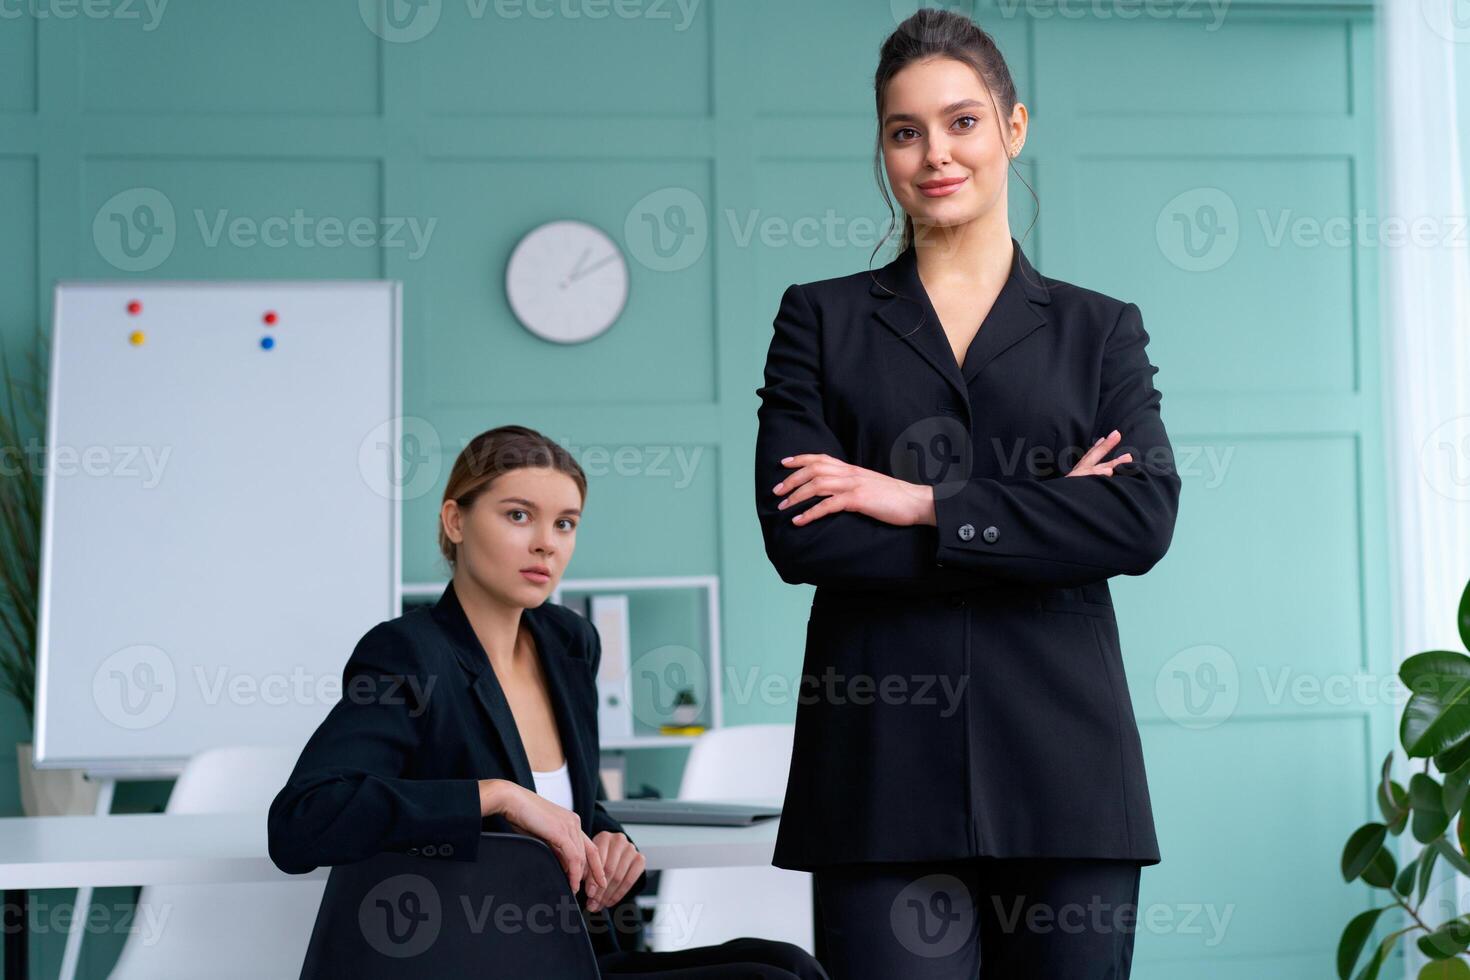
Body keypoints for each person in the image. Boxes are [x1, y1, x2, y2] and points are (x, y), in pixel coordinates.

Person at [752, 9, 1181, 979]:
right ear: (883, 148)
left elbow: (1139, 516)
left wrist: (917, 503)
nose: (935, 153)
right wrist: (1046, 516)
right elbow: (802, 537)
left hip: (1066, 779)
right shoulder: (818, 320)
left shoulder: (1098, 331)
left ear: (1012, 128)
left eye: (962, 122)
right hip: (878, 783)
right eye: (905, 131)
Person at [269, 425, 827, 980]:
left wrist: (611, 842)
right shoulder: (408, 654)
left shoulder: (570, 642)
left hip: (574, 946)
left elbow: (575, 803)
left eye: (565, 523)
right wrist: (497, 797)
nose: (547, 542)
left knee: (791, 962)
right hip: (470, 958)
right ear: (455, 521)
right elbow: (301, 820)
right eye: (518, 515)